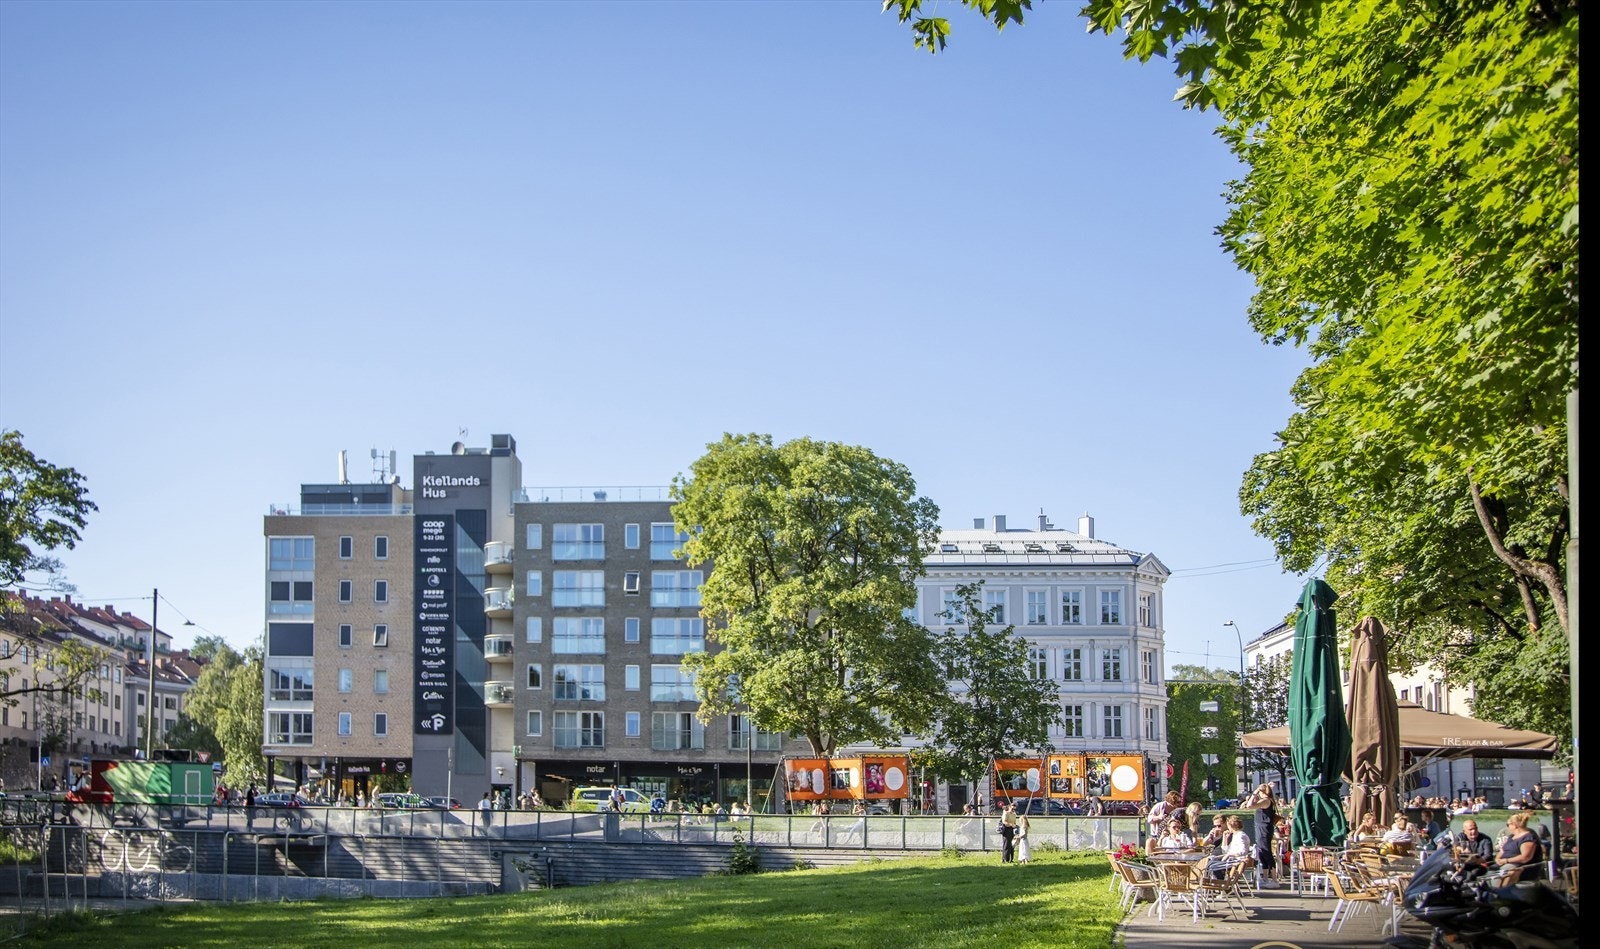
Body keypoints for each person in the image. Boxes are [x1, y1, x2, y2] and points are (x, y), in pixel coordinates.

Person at [1244, 782, 1279, 886]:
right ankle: (1265, 877)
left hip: (1264, 828)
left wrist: (1254, 793)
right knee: (1262, 853)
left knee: (1267, 852)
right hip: (1262, 828)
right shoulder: (1268, 800)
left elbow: (1249, 805)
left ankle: (1274, 879)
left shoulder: (1266, 801)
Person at [1496, 810, 1544, 879]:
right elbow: (1502, 851)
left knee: (1507, 871)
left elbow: (1525, 858)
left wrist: (1506, 860)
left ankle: (1499, 889)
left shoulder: (1528, 837)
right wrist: (1497, 859)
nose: (1507, 827)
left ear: (1514, 825)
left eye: (1508, 824)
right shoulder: (1511, 837)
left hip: (1519, 867)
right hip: (1504, 864)